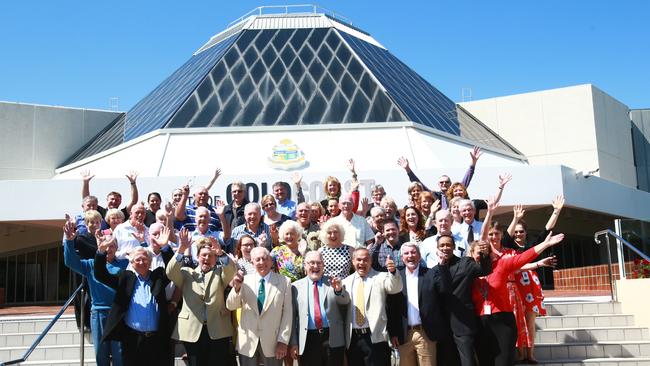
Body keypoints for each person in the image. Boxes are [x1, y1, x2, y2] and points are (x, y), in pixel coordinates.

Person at [471, 200, 565, 366]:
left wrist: (545, 245)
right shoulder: (469, 268)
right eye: (479, 251)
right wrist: (491, 213)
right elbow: (483, 237)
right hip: (482, 321)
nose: (483, 251)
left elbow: (525, 256)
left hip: (505, 314)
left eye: (484, 250)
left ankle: (526, 353)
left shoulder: (503, 262)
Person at [93, 233, 174, 366]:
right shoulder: (125, 278)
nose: (141, 262)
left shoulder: (158, 276)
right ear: (131, 262)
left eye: (145, 259)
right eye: (137, 260)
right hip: (132, 339)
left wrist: (165, 247)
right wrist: (101, 251)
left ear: (150, 261)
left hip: (157, 339)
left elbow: (173, 269)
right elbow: (101, 275)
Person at [166, 229, 237, 366]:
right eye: (203, 255)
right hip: (192, 330)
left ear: (215, 258)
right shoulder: (186, 273)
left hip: (217, 329)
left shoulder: (220, 273)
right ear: (197, 257)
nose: (206, 258)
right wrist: (181, 249)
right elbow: (170, 272)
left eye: (210, 256)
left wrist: (220, 252)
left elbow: (231, 270)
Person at [63, 219, 128, 366]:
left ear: (117, 248)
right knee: (101, 353)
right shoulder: (91, 264)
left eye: (111, 245)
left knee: (119, 353)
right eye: (105, 245)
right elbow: (71, 262)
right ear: (99, 246)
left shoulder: (124, 264)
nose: (108, 249)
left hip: (118, 313)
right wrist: (69, 241)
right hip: (99, 313)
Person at [386, 243, 451, 366]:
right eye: (406, 253)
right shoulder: (396, 276)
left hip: (425, 333)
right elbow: (391, 307)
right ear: (401, 257)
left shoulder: (430, 273)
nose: (410, 255)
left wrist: (442, 265)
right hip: (403, 335)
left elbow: (445, 290)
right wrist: (393, 332)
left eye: (413, 252)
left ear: (420, 255)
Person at [226, 247, 293, 366]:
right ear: (252, 262)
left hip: (273, 344)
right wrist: (237, 288)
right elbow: (231, 305)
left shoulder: (284, 282)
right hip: (247, 343)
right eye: (258, 260)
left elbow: (288, 313)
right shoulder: (244, 281)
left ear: (271, 261)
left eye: (265, 259)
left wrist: (283, 341)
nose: (262, 262)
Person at [437, 234, 492, 366]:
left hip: (463, 323)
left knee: (467, 361)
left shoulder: (465, 262)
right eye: (442, 245)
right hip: (442, 325)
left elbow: (484, 270)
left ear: (454, 247)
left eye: (448, 245)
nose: (445, 248)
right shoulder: (434, 269)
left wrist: (484, 255)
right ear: (437, 248)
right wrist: (442, 266)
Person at [342, 248, 403, 366]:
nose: (362, 263)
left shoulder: (382, 277)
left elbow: (395, 287)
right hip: (353, 339)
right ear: (353, 261)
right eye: (358, 260)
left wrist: (393, 271)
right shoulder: (345, 282)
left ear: (370, 261)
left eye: (365, 260)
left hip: (375, 337)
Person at [289, 251, 350, 366]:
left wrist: (338, 291)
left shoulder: (333, 282)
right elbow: (292, 318)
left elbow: (345, 302)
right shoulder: (295, 287)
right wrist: (294, 342)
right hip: (308, 339)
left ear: (323, 265)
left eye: (319, 263)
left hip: (332, 337)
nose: (316, 266)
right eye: (312, 263)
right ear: (305, 265)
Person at [397, 146, 482, 209]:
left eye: (446, 182)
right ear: (438, 184)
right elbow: (419, 185)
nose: (444, 183)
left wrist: (473, 163)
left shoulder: (455, 193)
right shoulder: (435, 196)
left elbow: (465, 180)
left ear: (450, 184)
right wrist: (408, 169)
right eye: (441, 182)